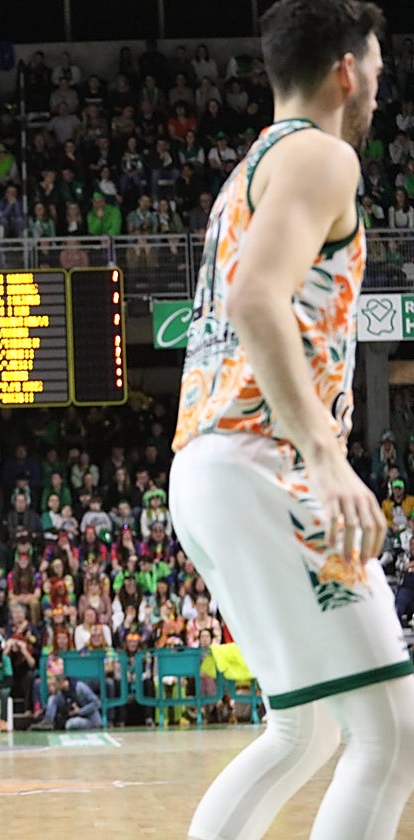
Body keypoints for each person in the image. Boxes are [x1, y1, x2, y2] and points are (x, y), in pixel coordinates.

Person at [169, 4, 414, 839]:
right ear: (347, 70)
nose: (381, 83)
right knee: (391, 733)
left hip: (207, 467)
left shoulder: (249, 172)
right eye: (377, 66)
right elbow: (254, 297)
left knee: (301, 729)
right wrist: (325, 453)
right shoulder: (320, 155)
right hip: (262, 462)